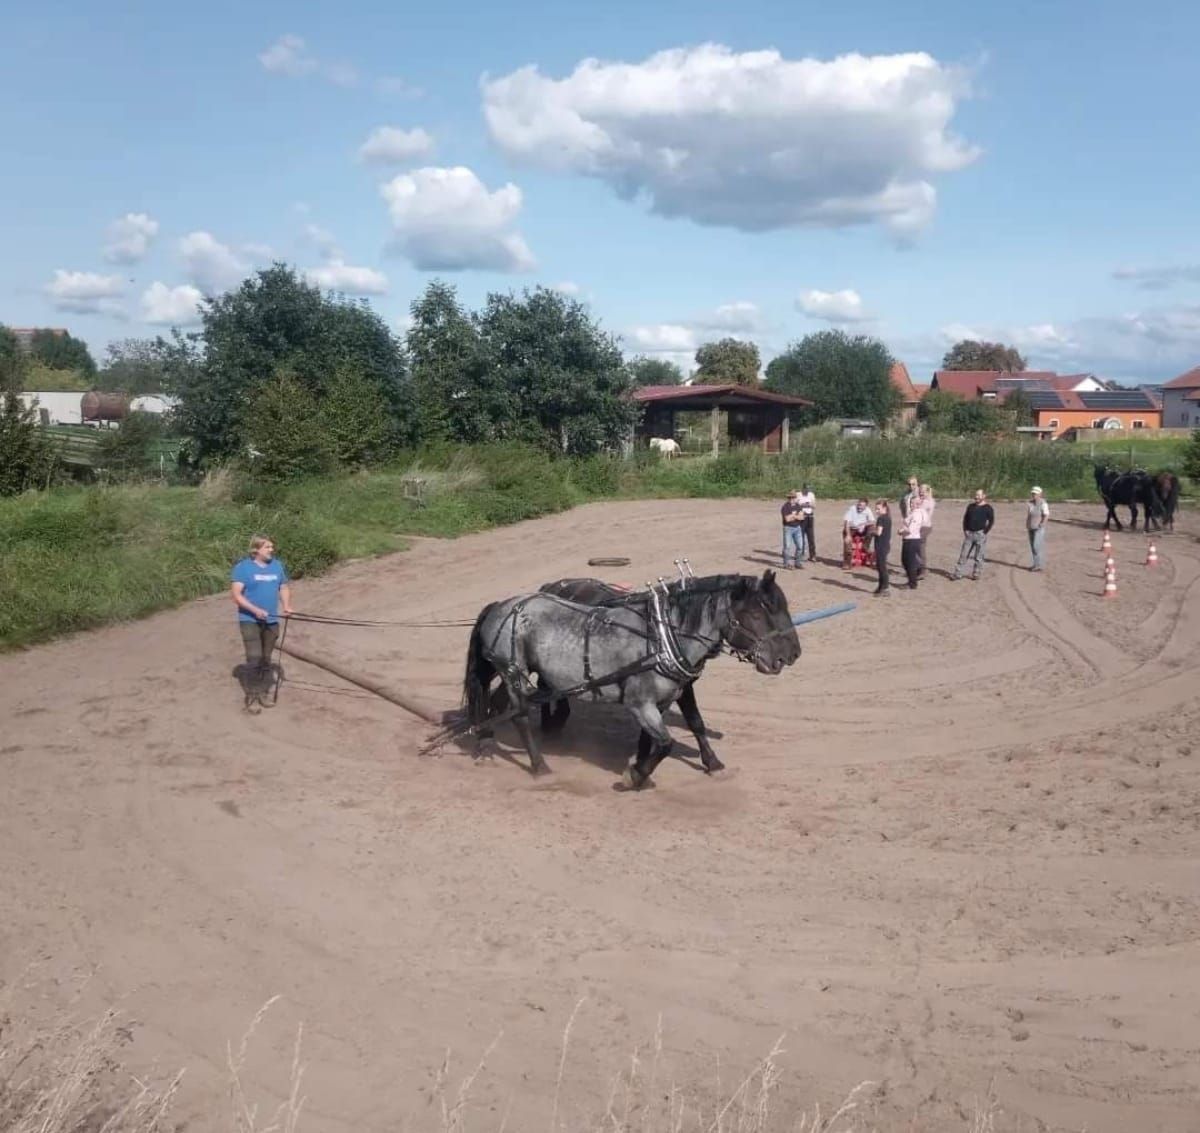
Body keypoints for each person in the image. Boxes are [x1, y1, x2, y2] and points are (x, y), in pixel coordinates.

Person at [230, 534, 293, 713]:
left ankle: (263, 691)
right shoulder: (243, 568)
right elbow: (236, 595)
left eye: (272, 546)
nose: (272, 550)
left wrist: (286, 606)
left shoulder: (277, 566)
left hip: (271, 620)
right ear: (256, 550)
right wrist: (255, 610)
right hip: (249, 619)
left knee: (266, 658)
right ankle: (253, 694)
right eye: (267, 547)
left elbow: (283, 587)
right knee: (254, 657)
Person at [951, 489, 995, 581]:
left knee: (978, 556)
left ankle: (976, 573)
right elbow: (965, 519)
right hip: (969, 534)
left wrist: (985, 532)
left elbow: (991, 521)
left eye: (979, 495)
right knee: (963, 555)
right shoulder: (970, 506)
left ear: (984, 496)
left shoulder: (988, 508)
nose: (976, 497)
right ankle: (957, 573)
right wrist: (965, 530)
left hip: (980, 534)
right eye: (976, 495)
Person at [841, 498, 875, 569]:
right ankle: (847, 562)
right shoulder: (852, 509)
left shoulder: (868, 510)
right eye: (859, 505)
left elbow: (872, 521)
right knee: (847, 541)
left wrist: (863, 524)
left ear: (866, 506)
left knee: (872, 528)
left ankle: (865, 546)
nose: (860, 507)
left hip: (863, 529)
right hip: (852, 528)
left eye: (862, 506)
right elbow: (847, 522)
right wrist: (848, 535)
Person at [780, 489, 806, 569]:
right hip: (788, 528)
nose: (791, 499)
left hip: (797, 528)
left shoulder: (798, 506)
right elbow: (787, 519)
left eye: (793, 497)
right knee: (787, 547)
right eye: (790, 497)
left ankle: (797, 563)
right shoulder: (785, 507)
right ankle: (786, 564)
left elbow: (802, 517)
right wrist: (796, 516)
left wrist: (793, 516)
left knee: (800, 546)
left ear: (795, 498)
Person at [900, 500, 924, 589]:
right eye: (911, 503)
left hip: (912, 539)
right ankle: (913, 578)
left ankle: (912, 583)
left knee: (909, 562)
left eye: (914, 503)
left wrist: (901, 531)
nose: (912, 504)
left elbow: (911, 529)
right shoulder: (912, 513)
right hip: (908, 539)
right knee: (905, 560)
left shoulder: (917, 514)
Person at [872, 499, 892, 596]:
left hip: (881, 545)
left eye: (878, 509)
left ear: (884, 508)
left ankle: (885, 588)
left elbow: (878, 532)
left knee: (881, 567)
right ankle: (881, 587)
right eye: (876, 509)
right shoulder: (888, 518)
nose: (876, 511)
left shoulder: (881, 518)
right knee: (880, 566)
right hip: (885, 545)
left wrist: (872, 531)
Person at [1027, 486, 1049, 571]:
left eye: (1035, 493)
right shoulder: (1030, 503)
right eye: (1033, 493)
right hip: (1031, 527)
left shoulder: (1043, 503)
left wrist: (1042, 524)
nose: (1034, 495)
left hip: (1038, 528)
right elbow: (1029, 514)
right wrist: (1027, 524)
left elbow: (1046, 515)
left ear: (1040, 494)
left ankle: (1039, 564)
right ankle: (1036, 564)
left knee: (1036, 546)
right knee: (1033, 547)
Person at [917, 483, 936, 579]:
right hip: (918, 527)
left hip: (925, 527)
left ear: (928, 492)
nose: (921, 493)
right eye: (920, 492)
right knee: (916, 547)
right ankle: (919, 568)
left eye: (923, 492)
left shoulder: (930, 502)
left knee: (921, 547)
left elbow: (927, 516)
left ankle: (923, 570)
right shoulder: (920, 500)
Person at [797, 483, 817, 561]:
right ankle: (801, 554)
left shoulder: (811, 495)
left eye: (809, 489)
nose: (807, 490)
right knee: (801, 537)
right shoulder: (798, 494)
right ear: (803, 488)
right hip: (802, 516)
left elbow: (814, 506)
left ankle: (813, 555)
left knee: (811, 537)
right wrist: (804, 505)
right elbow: (796, 505)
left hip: (810, 516)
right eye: (806, 489)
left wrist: (807, 505)